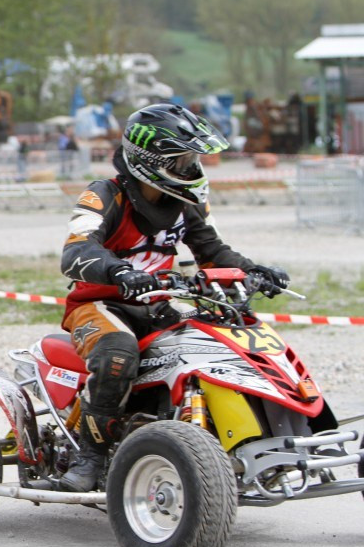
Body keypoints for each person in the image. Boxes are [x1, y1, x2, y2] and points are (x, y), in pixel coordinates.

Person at [56, 103, 289, 492]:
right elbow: (76, 252)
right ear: (150, 161)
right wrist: (119, 271)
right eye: (182, 160)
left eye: (192, 159)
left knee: (215, 341)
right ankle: (89, 456)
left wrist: (253, 271)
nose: (192, 168)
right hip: (99, 305)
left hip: (158, 303)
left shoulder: (186, 202)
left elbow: (213, 251)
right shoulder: (104, 195)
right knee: (118, 353)